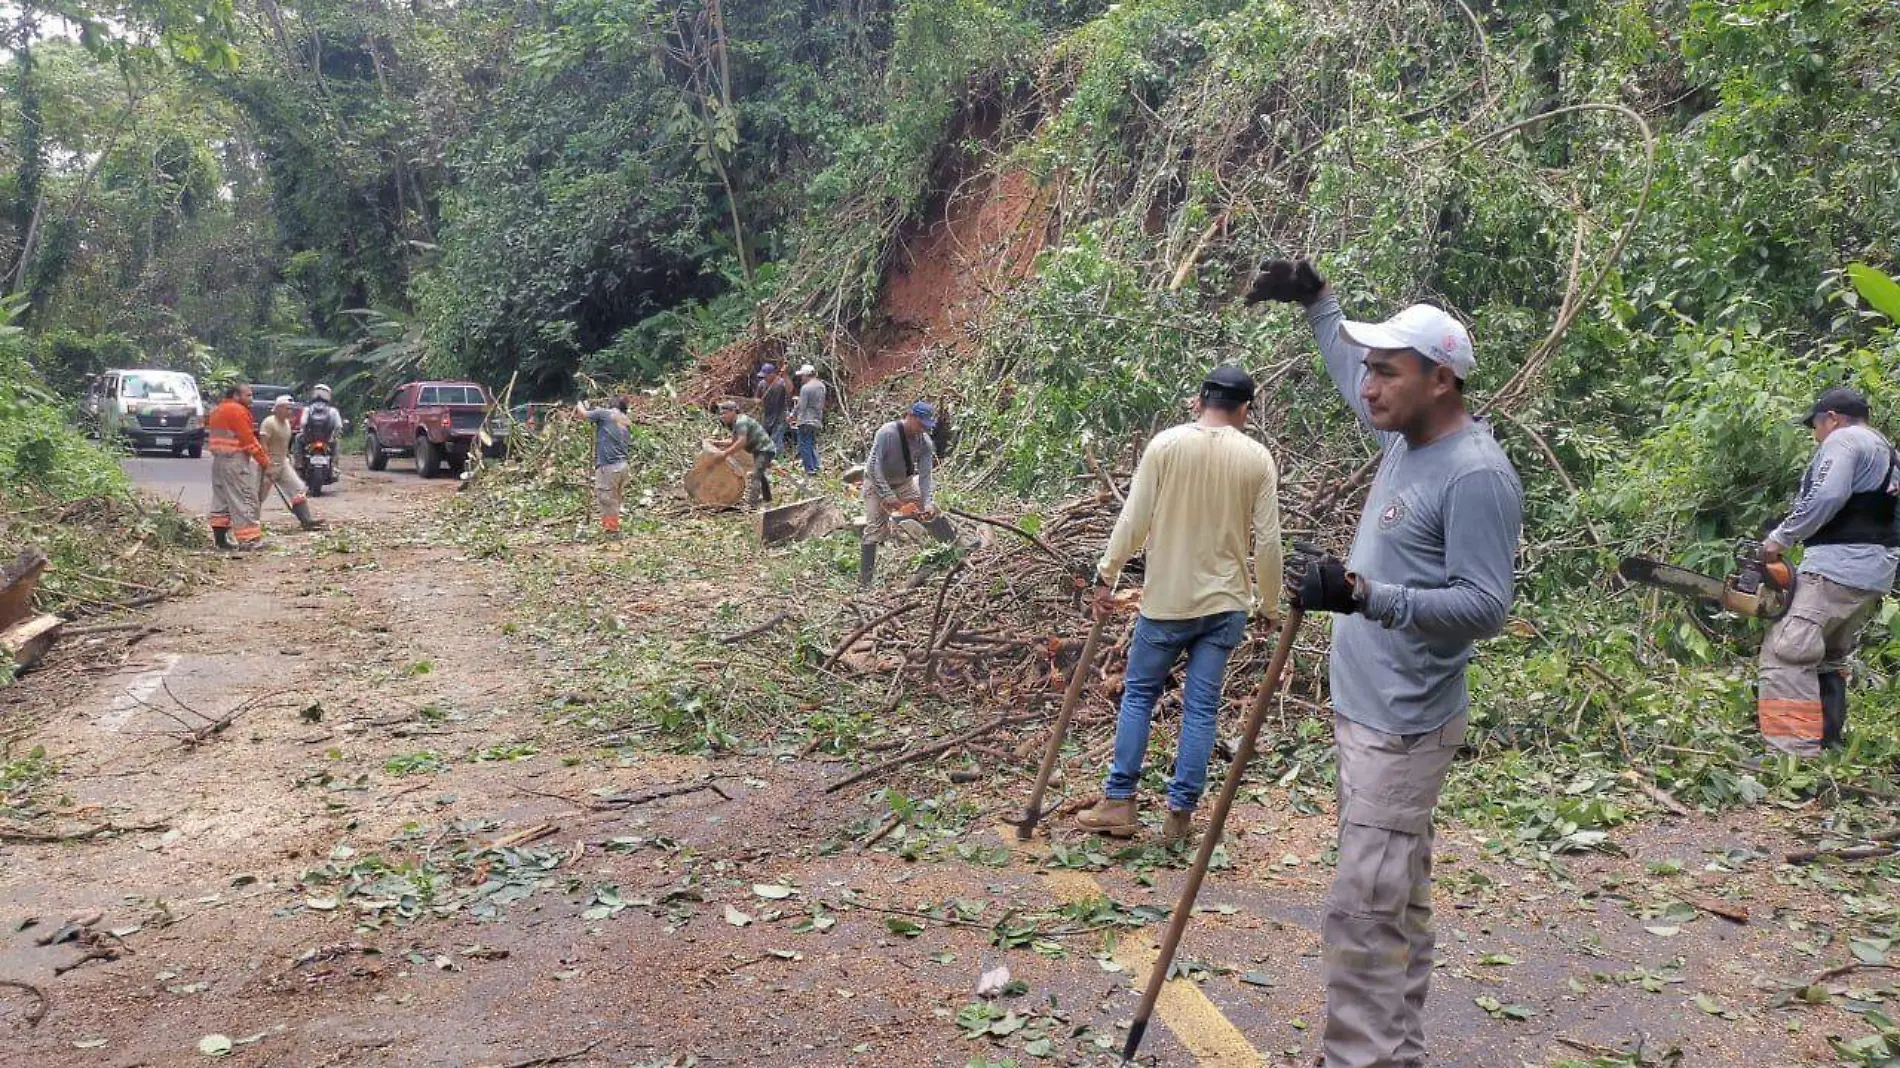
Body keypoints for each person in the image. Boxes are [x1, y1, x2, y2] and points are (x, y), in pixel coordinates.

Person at [1251, 257, 1522, 1068]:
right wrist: (1318, 304)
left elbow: (1487, 608)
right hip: (1369, 716)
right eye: (1369, 370)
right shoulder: (1406, 432)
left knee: (1364, 914)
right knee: (1394, 904)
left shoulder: (1475, 475)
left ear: (1441, 380)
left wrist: (1370, 594)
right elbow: (1347, 363)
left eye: (1387, 373)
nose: (1368, 387)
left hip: (1402, 728)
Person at [1074, 366, 1283, 844]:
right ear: (1244, 408)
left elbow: (1134, 520)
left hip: (1167, 601)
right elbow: (1268, 541)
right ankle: (1179, 817)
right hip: (1227, 604)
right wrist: (1269, 605)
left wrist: (1106, 575)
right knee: (1201, 708)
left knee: (1140, 695)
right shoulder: (1257, 458)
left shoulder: (1166, 445)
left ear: (1200, 400)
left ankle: (1120, 803)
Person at [1757, 386, 1899, 755]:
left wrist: (1781, 538)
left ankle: (1793, 755)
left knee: (1788, 652)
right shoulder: (1888, 452)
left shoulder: (1846, 441)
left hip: (1836, 568)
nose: (1815, 434)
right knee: (1827, 657)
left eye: (1815, 426)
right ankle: (1828, 742)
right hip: (1872, 572)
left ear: (1832, 418)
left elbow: (1827, 496)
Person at [858, 402, 940, 590]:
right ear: (910, 416)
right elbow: (873, 467)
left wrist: (927, 502)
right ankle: (865, 581)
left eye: (926, 427)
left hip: (904, 483)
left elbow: (926, 476)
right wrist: (887, 496)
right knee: (875, 529)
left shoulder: (924, 443)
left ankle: (943, 554)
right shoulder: (887, 434)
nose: (922, 430)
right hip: (876, 483)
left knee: (930, 513)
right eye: (920, 425)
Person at [205, 383, 272, 551]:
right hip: (235, 461)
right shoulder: (238, 411)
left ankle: (220, 540)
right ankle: (249, 540)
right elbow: (248, 440)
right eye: (248, 395)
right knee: (244, 498)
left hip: (219, 461)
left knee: (221, 500)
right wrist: (264, 461)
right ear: (236, 395)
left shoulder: (217, 410)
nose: (251, 399)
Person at [257, 396, 322, 531]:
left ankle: (306, 520)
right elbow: (262, 444)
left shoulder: (286, 423)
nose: (290, 411)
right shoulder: (269, 423)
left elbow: (285, 443)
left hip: (283, 462)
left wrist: (288, 457)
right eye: (287, 408)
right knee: (259, 496)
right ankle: (250, 523)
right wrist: (266, 463)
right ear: (278, 408)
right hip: (270, 462)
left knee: (298, 488)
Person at [578, 396, 634, 535]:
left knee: (606, 498)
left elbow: (583, 414)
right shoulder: (625, 420)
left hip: (609, 466)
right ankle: (613, 527)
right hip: (623, 466)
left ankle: (612, 531)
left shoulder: (605, 413)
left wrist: (576, 401)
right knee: (614, 498)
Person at [711, 400, 776, 509]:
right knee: (760, 475)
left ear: (733, 412)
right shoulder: (736, 423)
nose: (722, 417)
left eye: (724, 413)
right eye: (721, 414)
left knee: (756, 475)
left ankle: (751, 505)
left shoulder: (741, 421)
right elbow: (733, 442)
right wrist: (716, 442)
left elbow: (741, 442)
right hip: (758, 450)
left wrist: (725, 454)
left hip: (764, 449)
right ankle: (767, 501)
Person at [792, 364, 827, 475]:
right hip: (817, 419)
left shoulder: (806, 388)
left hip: (806, 420)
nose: (802, 378)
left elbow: (802, 406)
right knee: (810, 444)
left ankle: (809, 469)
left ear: (807, 375)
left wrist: (793, 415)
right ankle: (816, 466)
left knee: (804, 445)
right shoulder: (821, 386)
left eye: (802, 376)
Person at [760, 364, 791, 457]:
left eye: (766, 376)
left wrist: (785, 374)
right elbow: (756, 398)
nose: (765, 378)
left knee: (776, 438)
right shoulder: (762, 384)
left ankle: (778, 459)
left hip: (780, 416)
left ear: (772, 374)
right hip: (767, 416)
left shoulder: (781, 383)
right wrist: (757, 401)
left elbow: (790, 389)